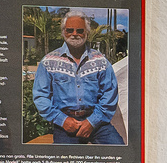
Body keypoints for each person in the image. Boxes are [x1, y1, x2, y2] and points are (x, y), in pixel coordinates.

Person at [32, 12, 123, 145]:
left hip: (97, 122)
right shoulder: (49, 61)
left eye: (80, 30)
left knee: (118, 152)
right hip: (65, 124)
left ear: (87, 32)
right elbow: (40, 96)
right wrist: (62, 120)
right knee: (65, 162)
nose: (75, 34)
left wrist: (92, 122)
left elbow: (110, 93)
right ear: (63, 32)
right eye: (70, 30)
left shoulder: (100, 61)